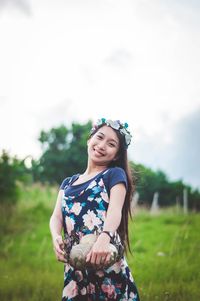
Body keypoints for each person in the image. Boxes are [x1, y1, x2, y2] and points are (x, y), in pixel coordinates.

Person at [49, 118, 140, 301]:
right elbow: (56, 217)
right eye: (99, 137)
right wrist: (56, 236)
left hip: (106, 261)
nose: (102, 145)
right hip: (76, 269)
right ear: (89, 139)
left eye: (111, 144)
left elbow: (115, 211)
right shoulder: (68, 183)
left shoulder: (114, 175)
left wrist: (104, 237)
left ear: (116, 155)